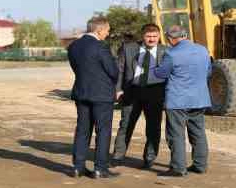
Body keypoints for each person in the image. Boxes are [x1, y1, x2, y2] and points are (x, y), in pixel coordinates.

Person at [153, 25, 211, 177]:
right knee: (198, 133)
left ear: (171, 39)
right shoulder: (202, 50)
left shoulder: (171, 54)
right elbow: (209, 71)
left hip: (178, 100)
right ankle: (200, 165)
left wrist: (155, 68)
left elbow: (162, 74)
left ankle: (178, 168)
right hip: (199, 98)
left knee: (176, 134)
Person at [67, 16, 120, 179]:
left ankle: (78, 166)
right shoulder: (100, 46)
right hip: (102, 95)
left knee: (82, 130)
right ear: (99, 30)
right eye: (107, 30)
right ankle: (100, 168)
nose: (108, 34)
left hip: (81, 92)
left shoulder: (73, 46)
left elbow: (76, 68)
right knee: (103, 131)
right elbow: (113, 71)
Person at [111, 23, 167, 169]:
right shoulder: (129, 48)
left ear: (159, 36)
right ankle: (117, 156)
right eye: (148, 36)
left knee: (153, 127)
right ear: (142, 36)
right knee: (126, 125)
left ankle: (149, 158)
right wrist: (118, 89)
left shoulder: (165, 51)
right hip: (132, 91)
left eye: (155, 36)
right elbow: (120, 70)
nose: (152, 39)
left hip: (155, 93)